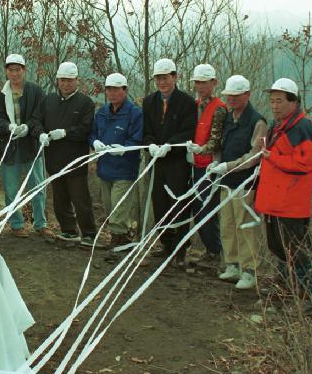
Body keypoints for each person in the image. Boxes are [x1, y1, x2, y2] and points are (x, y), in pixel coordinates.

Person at [254, 78, 312, 302]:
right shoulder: (276, 126)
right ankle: (284, 289)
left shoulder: (303, 128)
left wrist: (273, 157)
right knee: (278, 248)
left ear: (294, 101)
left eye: (280, 101)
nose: (274, 105)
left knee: (296, 252)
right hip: (274, 201)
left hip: (291, 204)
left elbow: (306, 164)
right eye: (272, 101)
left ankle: (305, 298)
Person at [202, 75, 268, 290]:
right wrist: (214, 160)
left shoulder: (257, 121)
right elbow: (221, 145)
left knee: (245, 226)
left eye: (236, 96)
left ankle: (249, 270)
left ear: (247, 95)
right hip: (226, 181)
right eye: (229, 96)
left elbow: (254, 156)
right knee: (228, 225)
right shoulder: (229, 118)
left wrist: (228, 166)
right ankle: (232, 264)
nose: (231, 99)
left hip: (245, 183)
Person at [0, 54, 51, 238]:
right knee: (11, 188)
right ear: (6, 71)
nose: (14, 73)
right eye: (11, 70)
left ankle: (41, 223)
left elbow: (41, 114)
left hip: (32, 146)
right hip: (10, 148)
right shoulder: (0, 96)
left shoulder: (36, 91)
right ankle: (16, 224)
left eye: (18, 69)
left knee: (38, 187)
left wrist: (28, 127)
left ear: (24, 70)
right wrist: (9, 127)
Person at [143, 58, 198, 266]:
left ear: (174, 77)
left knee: (178, 204)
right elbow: (147, 130)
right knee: (159, 203)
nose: (162, 82)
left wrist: (170, 145)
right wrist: (150, 144)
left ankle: (181, 247)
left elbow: (188, 130)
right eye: (158, 78)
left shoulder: (186, 102)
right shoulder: (149, 102)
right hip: (156, 161)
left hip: (177, 163)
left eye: (165, 78)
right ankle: (166, 243)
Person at [40, 62, 97, 244]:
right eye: (62, 80)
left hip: (75, 160)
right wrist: (40, 133)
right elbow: (37, 120)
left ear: (76, 81)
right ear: (58, 80)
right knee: (60, 199)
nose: (65, 84)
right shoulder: (48, 101)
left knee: (80, 199)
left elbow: (85, 129)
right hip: (54, 159)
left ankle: (88, 233)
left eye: (69, 80)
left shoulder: (85, 103)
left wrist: (65, 132)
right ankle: (68, 230)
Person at [89, 72, 143, 248]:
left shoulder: (134, 113)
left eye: (116, 89)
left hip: (125, 169)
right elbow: (93, 133)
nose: (112, 93)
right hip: (105, 168)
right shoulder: (102, 112)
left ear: (125, 90)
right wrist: (94, 142)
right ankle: (123, 235)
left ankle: (118, 237)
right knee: (109, 205)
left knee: (119, 205)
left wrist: (124, 148)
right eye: (109, 89)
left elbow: (138, 138)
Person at [183, 64, 227, 269]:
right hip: (194, 165)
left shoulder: (219, 108)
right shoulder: (194, 105)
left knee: (206, 209)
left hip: (210, 167)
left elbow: (216, 140)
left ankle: (214, 252)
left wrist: (201, 149)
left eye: (204, 82)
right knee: (195, 208)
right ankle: (210, 250)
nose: (200, 86)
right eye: (197, 82)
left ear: (214, 83)